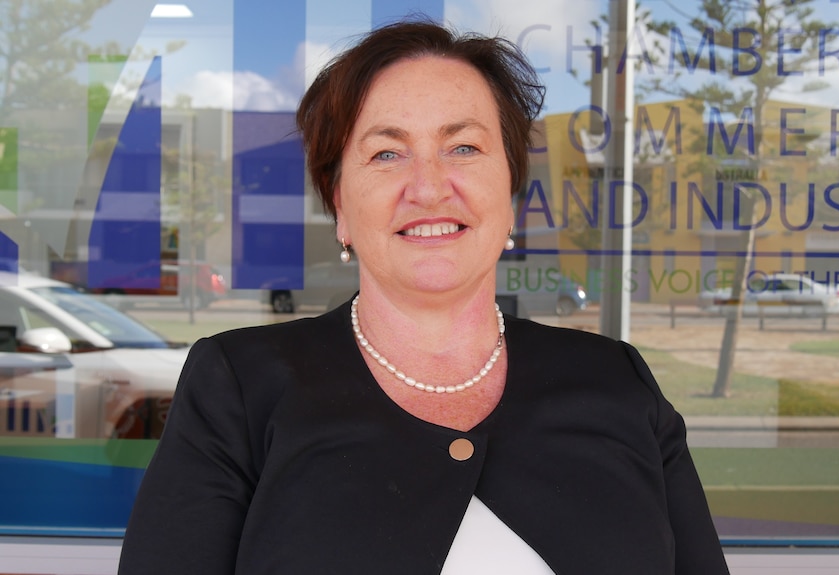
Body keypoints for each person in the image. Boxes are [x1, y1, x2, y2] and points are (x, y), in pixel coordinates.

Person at [118, 18, 730, 575]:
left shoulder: (616, 382)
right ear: (341, 209)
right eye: (387, 153)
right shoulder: (241, 386)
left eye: (463, 147)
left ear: (510, 188)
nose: (430, 187)